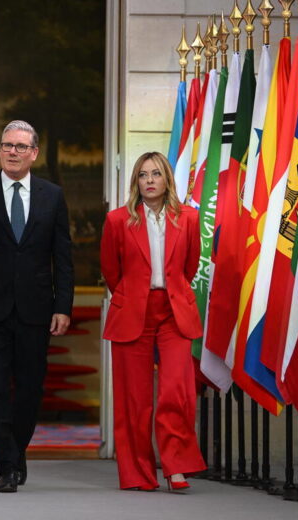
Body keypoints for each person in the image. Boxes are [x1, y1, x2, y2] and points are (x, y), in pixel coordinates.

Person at [0, 121, 74, 493]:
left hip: (36, 310)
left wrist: (62, 305)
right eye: (6, 146)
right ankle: (7, 463)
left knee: (30, 389)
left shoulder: (52, 196)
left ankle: (16, 452)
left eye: (20, 146)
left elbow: (62, 257)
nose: (12, 152)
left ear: (33, 152)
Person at [100, 151, 206, 491]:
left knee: (176, 390)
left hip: (174, 311)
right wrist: (134, 296)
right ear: (136, 181)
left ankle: (176, 467)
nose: (149, 180)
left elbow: (190, 267)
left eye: (156, 174)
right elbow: (111, 271)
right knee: (135, 398)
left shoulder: (188, 218)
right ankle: (137, 473)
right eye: (143, 174)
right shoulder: (118, 220)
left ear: (166, 180)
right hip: (133, 311)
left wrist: (166, 291)